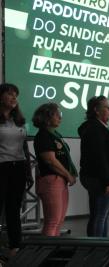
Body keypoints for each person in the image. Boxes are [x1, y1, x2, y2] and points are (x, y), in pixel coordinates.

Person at [78, 96, 109, 237]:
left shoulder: (98, 127)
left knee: (100, 215)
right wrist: (106, 180)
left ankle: (100, 247)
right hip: (102, 178)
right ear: (96, 110)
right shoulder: (95, 128)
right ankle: (97, 250)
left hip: (104, 177)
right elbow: (99, 157)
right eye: (108, 108)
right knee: (100, 215)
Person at [33, 103, 77, 237]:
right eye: (57, 114)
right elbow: (50, 160)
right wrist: (68, 175)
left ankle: (52, 252)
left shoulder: (55, 134)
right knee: (52, 222)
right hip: (51, 181)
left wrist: (67, 176)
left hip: (59, 181)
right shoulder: (43, 135)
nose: (60, 117)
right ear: (47, 116)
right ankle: (44, 255)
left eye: (61, 114)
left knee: (58, 221)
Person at [0, 83, 32, 257]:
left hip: (18, 167)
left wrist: (28, 172)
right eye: (10, 94)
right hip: (1, 167)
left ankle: (15, 246)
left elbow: (24, 147)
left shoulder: (18, 120)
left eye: (16, 95)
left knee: (14, 209)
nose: (14, 98)